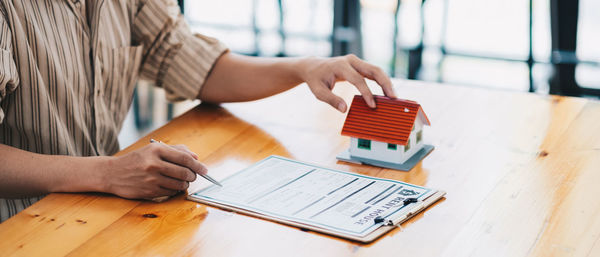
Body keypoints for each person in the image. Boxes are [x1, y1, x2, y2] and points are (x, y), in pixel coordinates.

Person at [0, 0, 395, 222]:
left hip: (101, 211)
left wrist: (303, 68)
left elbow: (192, 63)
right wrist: (109, 172)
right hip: (20, 224)